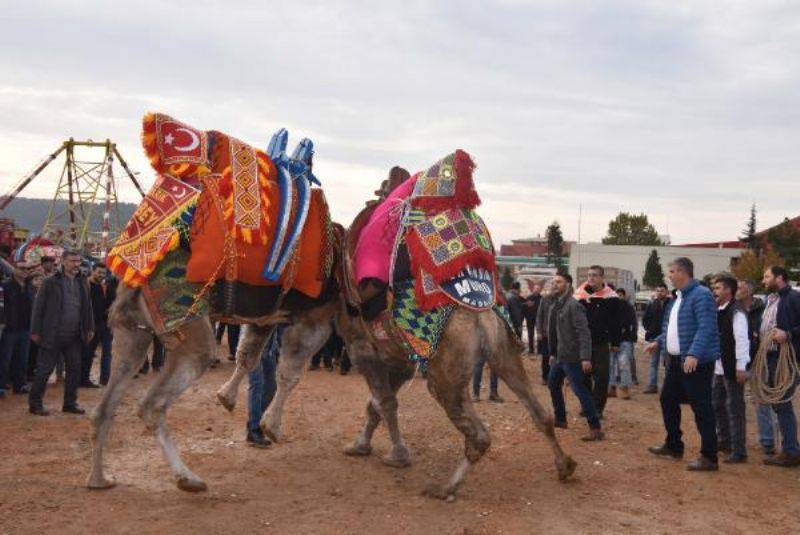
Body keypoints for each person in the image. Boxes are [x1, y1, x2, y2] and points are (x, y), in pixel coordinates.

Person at [646, 257, 720, 471]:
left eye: (671, 271)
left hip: (695, 363)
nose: (668, 275)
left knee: (702, 408)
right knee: (667, 399)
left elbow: (706, 327)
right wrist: (658, 342)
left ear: (683, 272)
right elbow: (672, 328)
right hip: (678, 362)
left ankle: (709, 457)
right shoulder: (677, 297)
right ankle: (674, 445)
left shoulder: (702, 295)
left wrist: (694, 354)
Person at [28, 250, 94, 416]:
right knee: (44, 371)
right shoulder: (50, 282)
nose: (76, 264)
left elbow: (87, 307)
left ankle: (70, 403)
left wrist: (89, 327)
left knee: (74, 370)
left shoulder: (82, 282)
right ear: (63, 261)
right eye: (72, 261)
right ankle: (35, 404)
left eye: (78, 261)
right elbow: (38, 308)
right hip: (52, 334)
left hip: (74, 336)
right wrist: (35, 330)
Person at [547, 272, 604, 441]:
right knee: (552, 384)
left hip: (573, 358)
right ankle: (561, 419)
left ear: (568, 284)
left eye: (558, 282)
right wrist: (552, 353)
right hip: (560, 356)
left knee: (581, 391)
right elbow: (554, 332)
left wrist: (585, 357)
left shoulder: (574, 305)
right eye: (553, 282)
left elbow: (584, 333)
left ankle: (595, 428)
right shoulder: (556, 305)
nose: (554, 284)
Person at [759, 266, 800, 467]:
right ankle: (790, 448)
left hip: (789, 359)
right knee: (778, 402)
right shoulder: (775, 299)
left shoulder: (793, 297)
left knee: (782, 402)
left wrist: (789, 334)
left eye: (767, 276)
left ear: (780, 277)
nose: (763, 280)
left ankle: (791, 451)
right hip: (774, 357)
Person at [574, 265, 622, 418]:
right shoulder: (579, 296)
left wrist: (615, 342)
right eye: (589, 275)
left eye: (595, 275)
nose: (591, 278)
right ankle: (586, 406)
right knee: (582, 376)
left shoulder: (611, 297)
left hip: (601, 342)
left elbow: (616, 322)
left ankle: (597, 409)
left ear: (602, 278)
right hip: (582, 343)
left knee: (601, 376)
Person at [711, 275, 750, 463]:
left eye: (718, 288)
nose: (714, 291)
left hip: (732, 367)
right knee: (717, 404)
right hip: (719, 366)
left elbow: (742, 340)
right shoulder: (719, 309)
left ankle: (739, 450)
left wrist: (741, 366)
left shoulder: (737, 312)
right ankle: (724, 441)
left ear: (728, 290)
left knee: (734, 408)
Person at [737, 279, 775, 456]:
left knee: (761, 402)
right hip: (737, 363)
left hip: (758, 362)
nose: (737, 290)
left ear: (749, 291)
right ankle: (734, 440)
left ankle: (767, 442)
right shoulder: (734, 309)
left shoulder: (762, 310)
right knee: (733, 403)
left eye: (740, 287)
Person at [246, 325, 284, 447]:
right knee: (256, 383)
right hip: (252, 346)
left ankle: (254, 422)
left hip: (270, 349)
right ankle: (255, 429)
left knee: (271, 386)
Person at [0, 262, 34, 396]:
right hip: (9, 329)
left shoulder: (29, 287)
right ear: (14, 269)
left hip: (26, 328)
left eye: (28, 269)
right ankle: (1, 386)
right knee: (4, 359)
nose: (25, 271)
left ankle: (20, 385)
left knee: (22, 358)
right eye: (22, 268)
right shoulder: (5, 286)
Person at [83, 263, 116, 387]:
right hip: (90, 325)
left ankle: (105, 379)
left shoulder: (105, 286)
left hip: (105, 324)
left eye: (103, 273)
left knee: (107, 353)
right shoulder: (85, 285)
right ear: (92, 271)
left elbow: (111, 301)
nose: (101, 275)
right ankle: (84, 378)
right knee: (88, 352)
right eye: (99, 272)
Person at [609, 288, 636, 400]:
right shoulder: (608, 307)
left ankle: (624, 389)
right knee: (610, 365)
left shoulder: (627, 307)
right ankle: (612, 388)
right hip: (611, 340)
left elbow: (631, 324)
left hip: (624, 340)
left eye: (620, 295)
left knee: (623, 365)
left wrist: (628, 337)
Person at [642, 283, 670, 394]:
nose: (659, 293)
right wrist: (649, 329)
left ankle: (667, 387)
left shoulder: (671, 304)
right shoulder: (651, 304)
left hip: (666, 338)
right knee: (653, 363)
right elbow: (645, 319)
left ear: (667, 292)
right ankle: (652, 385)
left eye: (662, 290)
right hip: (653, 338)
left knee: (667, 364)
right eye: (657, 291)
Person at [536, 286, 556, 385]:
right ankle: (545, 377)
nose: (554, 290)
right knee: (545, 356)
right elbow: (539, 315)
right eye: (553, 288)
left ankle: (555, 378)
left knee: (557, 357)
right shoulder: (544, 299)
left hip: (558, 334)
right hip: (545, 334)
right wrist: (539, 331)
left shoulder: (561, 300)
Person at [522, 282, 542, 354]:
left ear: (540, 290)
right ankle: (531, 349)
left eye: (538, 289)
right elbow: (524, 308)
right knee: (530, 334)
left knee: (539, 334)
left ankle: (540, 350)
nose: (536, 290)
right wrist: (525, 317)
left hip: (539, 319)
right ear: (533, 289)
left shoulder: (541, 298)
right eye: (535, 288)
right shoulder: (529, 297)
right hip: (530, 318)